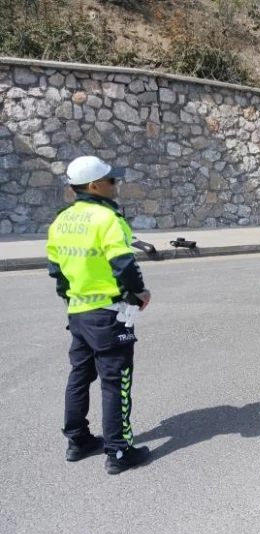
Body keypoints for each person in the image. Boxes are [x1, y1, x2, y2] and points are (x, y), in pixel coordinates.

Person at [46, 156, 152, 474]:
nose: (115, 185)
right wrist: (139, 294)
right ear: (94, 186)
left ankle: (78, 441)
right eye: (110, 180)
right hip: (108, 313)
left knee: (79, 375)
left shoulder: (61, 220)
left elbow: (56, 271)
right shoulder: (107, 218)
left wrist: (73, 299)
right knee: (115, 382)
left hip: (78, 313)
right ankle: (119, 451)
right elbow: (124, 264)